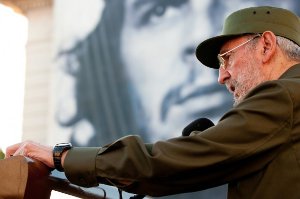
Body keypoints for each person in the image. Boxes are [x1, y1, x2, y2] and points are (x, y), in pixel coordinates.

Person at [7, 5, 300, 198]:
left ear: (266, 46)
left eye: (227, 58)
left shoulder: (283, 97)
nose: (222, 76)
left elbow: (178, 161)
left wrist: (63, 157)